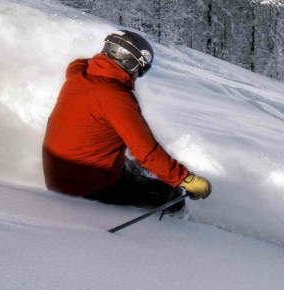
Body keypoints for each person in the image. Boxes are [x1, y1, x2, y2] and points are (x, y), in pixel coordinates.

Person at [42, 30, 212, 211]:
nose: (137, 77)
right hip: (86, 186)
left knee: (134, 166)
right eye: (140, 70)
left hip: (60, 176)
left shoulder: (79, 75)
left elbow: (79, 63)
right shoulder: (116, 97)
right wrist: (187, 180)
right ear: (130, 65)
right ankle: (175, 232)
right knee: (171, 195)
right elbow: (146, 151)